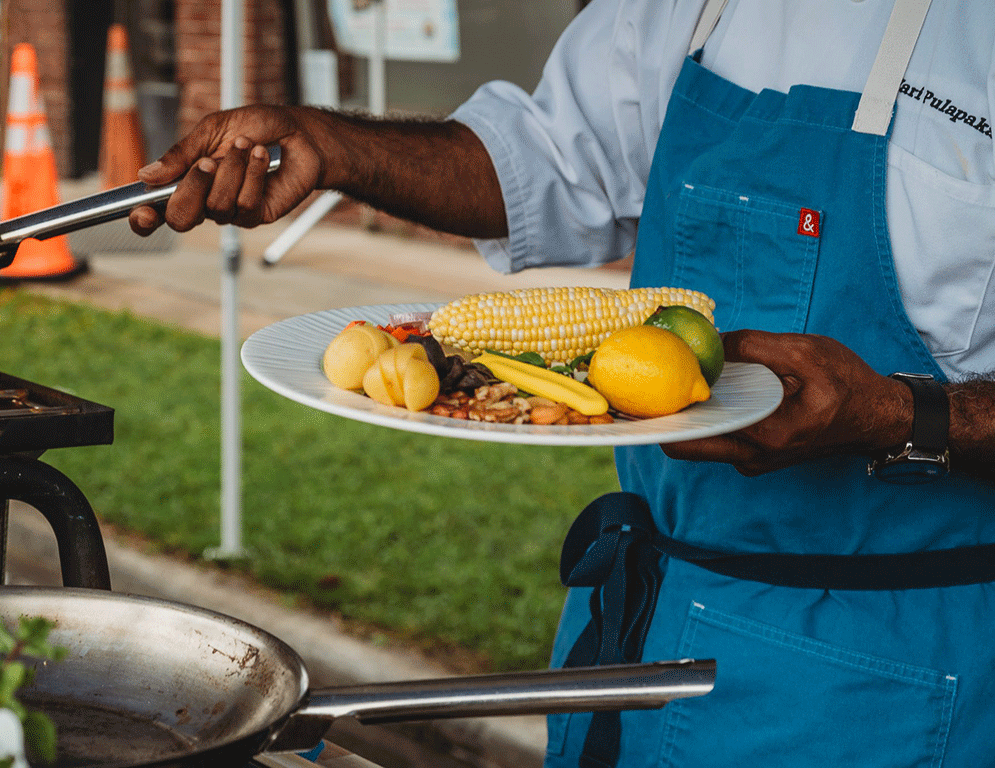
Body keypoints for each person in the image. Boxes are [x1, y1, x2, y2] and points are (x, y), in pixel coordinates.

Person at [130, 0, 995, 764]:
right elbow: (544, 164)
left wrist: (901, 413)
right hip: (643, 630)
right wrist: (334, 144)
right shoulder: (689, 9)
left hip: (889, 673)